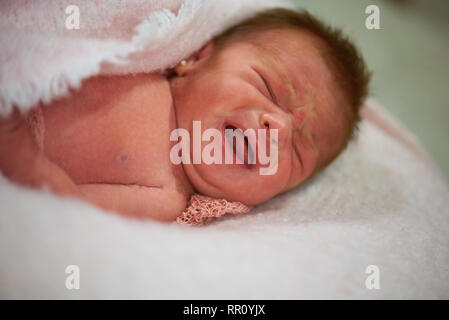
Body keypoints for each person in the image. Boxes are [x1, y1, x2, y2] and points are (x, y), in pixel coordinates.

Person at [0, 8, 371, 222]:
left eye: (300, 153)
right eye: (268, 88)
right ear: (193, 58)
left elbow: (68, 212)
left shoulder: (164, 195)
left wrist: (20, 152)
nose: (279, 128)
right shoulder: (139, 65)